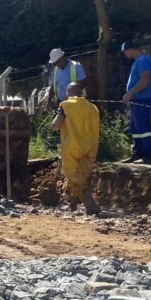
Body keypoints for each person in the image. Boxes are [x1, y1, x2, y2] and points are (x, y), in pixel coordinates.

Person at [51, 82, 101, 215]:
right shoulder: (93, 108)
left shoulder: (66, 106)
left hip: (73, 147)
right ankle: (72, 204)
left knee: (74, 177)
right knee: (81, 176)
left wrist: (53, 126)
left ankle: (91, 205)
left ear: (68, 92)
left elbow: (56, 124)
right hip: (90, 147)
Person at [121, 40, 151, 164]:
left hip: (142, 98)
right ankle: (137, 153)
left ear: (129, 49)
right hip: (136, 99)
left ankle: (149, 155)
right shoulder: (137, 61)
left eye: (124, 52)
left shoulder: (143, 60)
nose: (125, 55)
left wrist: (130, 93)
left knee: (144, 127)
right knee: (135, 128)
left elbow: (145, 79)